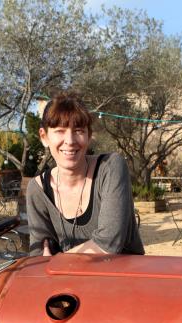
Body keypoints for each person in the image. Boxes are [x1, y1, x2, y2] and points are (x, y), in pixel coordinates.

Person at [26, 93, 144, 256]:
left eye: (79, 130)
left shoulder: (110, 167)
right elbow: (38, 251)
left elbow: (109, 243)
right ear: (44, 137)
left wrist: (57, 260)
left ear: (88, 136)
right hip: (67, 280)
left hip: (121, 278)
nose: (70, 140)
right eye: (60, 131)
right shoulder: (37, 189)